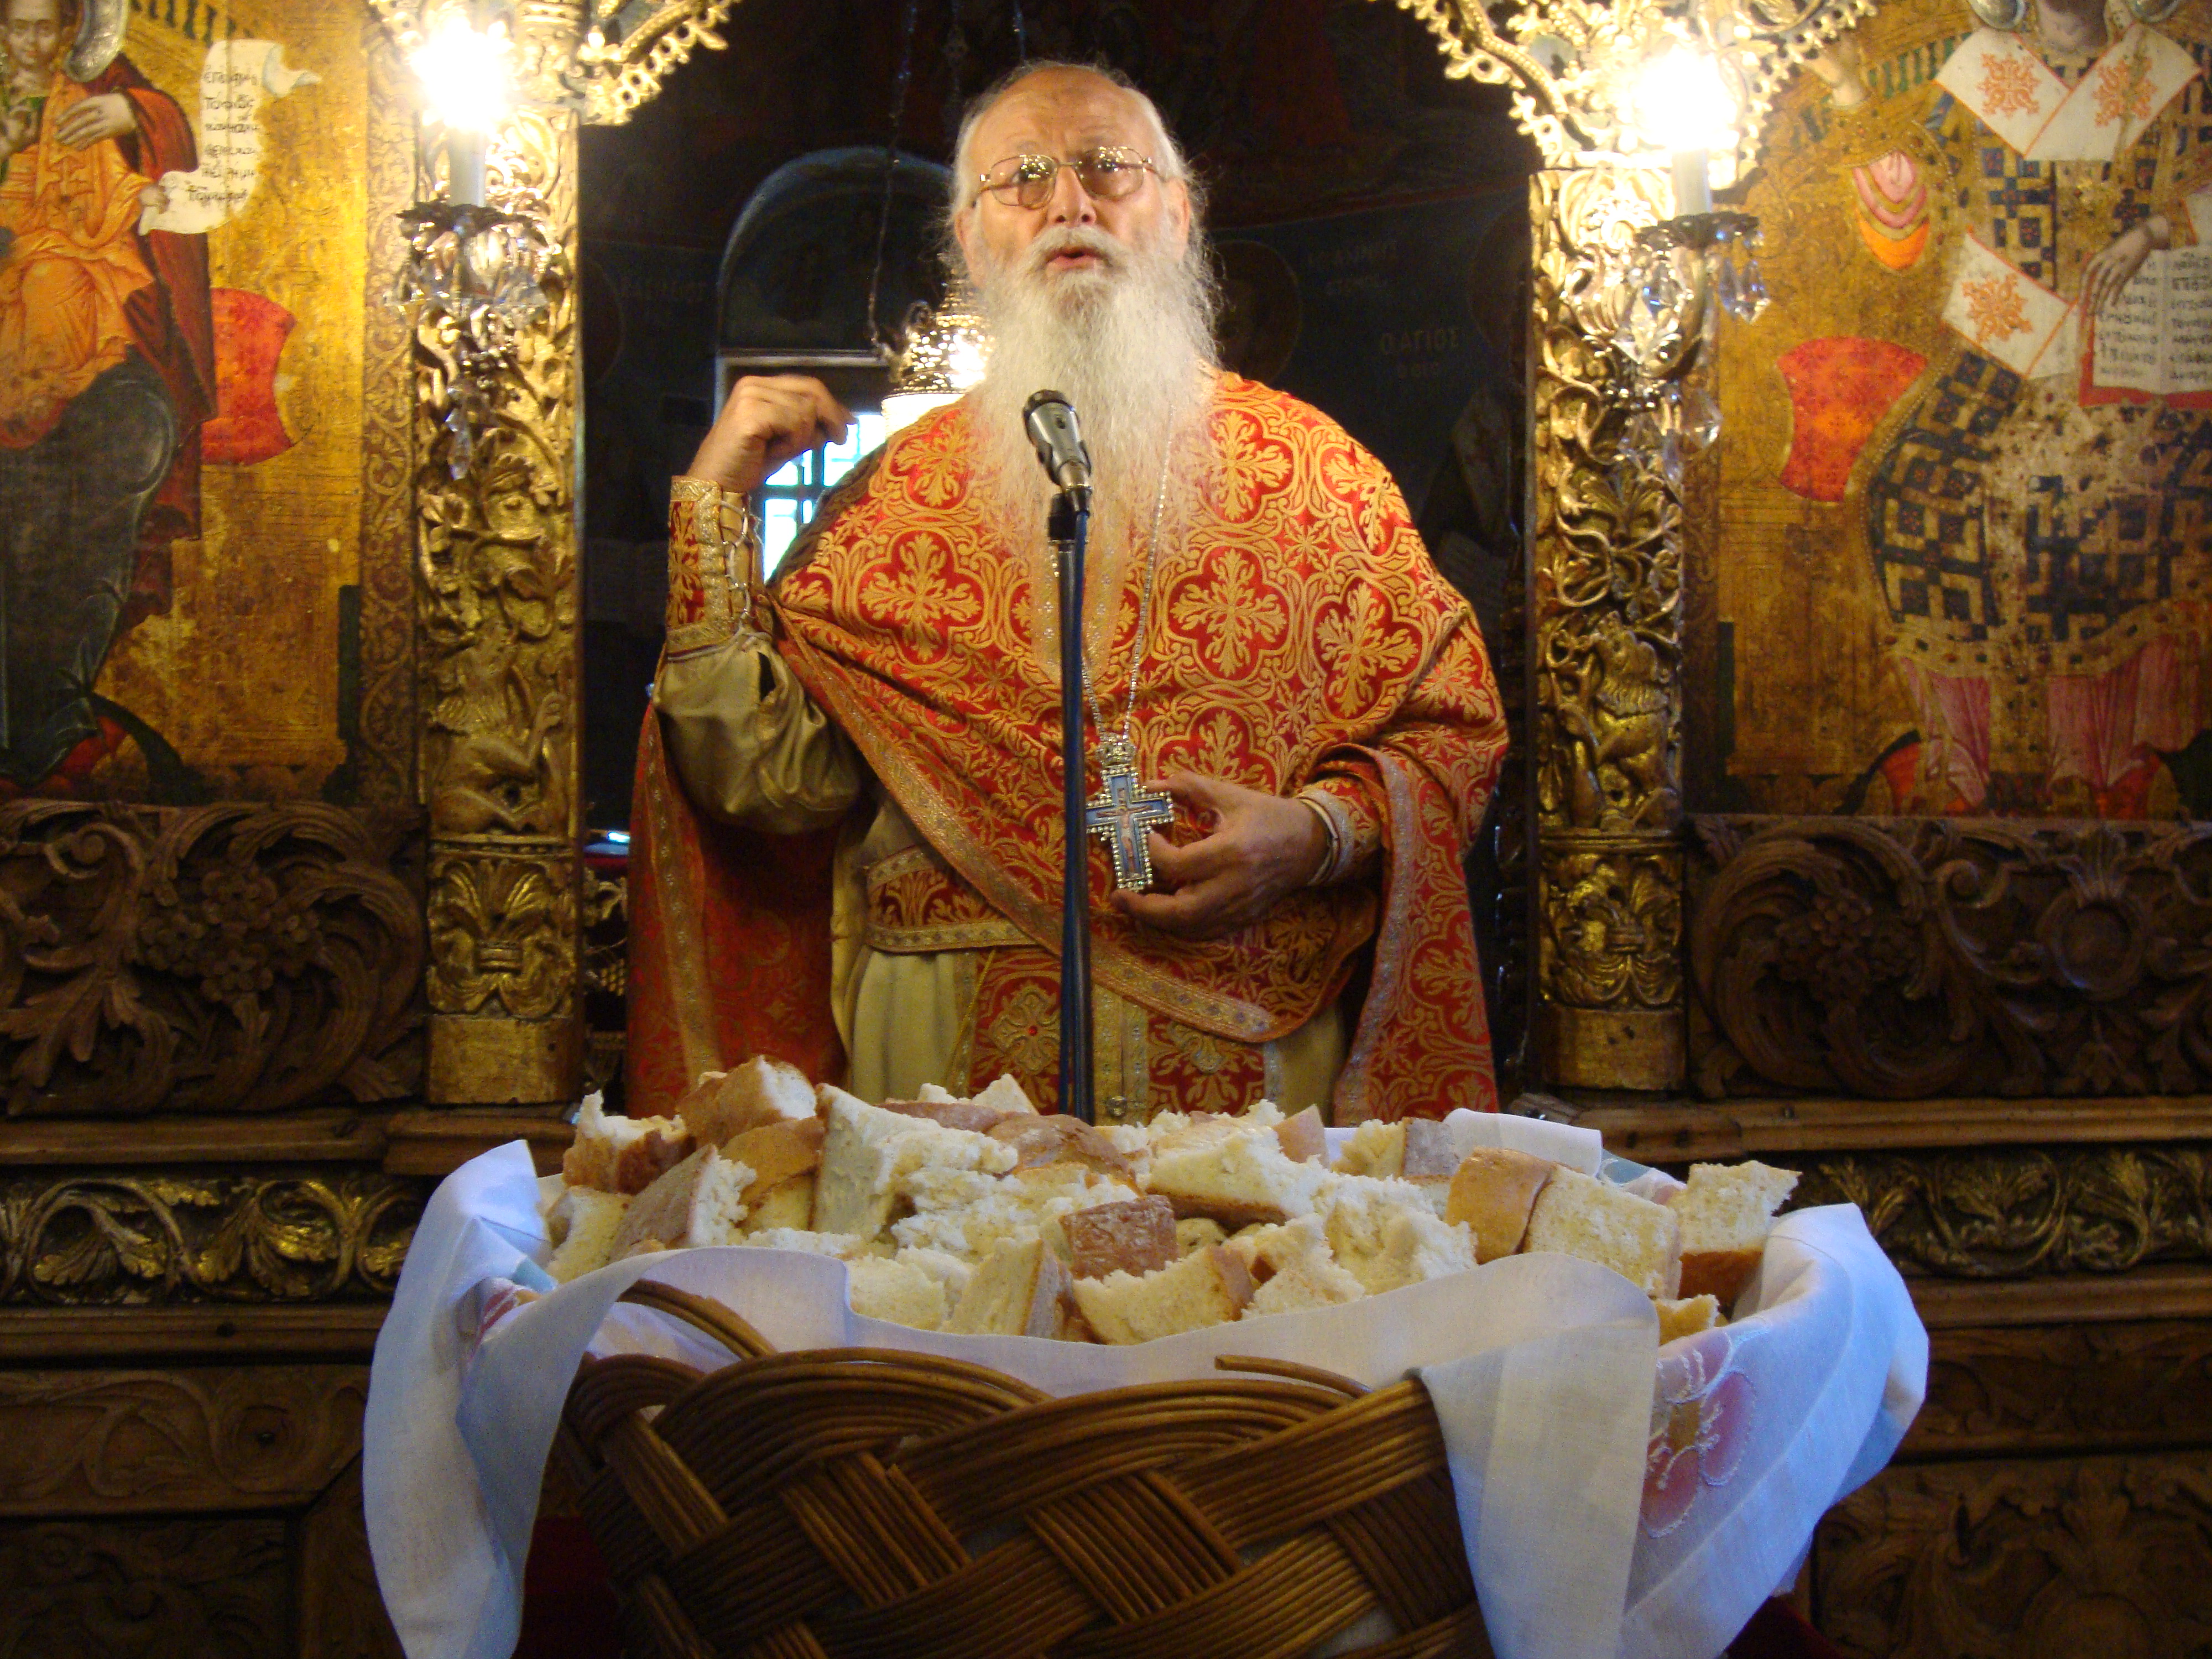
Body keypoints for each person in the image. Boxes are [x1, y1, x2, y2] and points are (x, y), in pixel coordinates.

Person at [627, 61, 1507, 1123]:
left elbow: (1452, 733)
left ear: (1179, 215)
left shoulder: (1319, 477)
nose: (1068, 204)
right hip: (946, 1078)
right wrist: (714, 505)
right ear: (969, 241)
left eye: (1107, 167)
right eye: (1022, 179)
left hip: (1252, 1066)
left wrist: (1318, 833)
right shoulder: (892, 500)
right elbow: (761, 784)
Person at [0, 0, 211, 786]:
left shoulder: (93, 93)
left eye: (44, 26)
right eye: (14, 25)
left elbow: (146, 168)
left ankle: (54, 708)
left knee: (128, 441)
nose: (29, 40)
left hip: (87, 327)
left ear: (71, 31)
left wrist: (138, 116)